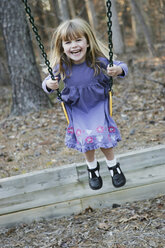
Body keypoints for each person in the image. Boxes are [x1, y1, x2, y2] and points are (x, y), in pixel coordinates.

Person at [42, 18, 128, 190]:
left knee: (102, 136)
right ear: (62, 47)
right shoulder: (63, 66)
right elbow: (47, 82)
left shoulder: (97, 60)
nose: (73, 45)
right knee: (86, 139)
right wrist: (50, 85)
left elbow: (122, 66)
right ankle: (92, 169)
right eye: (68, 42)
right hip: (78, 109)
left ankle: (113, 166)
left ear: (88, 42)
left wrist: (117, 70)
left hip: (98, 105)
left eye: (78, 40)